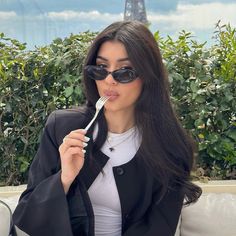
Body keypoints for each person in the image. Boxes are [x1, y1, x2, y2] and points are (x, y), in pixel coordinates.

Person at [13, 21, 202, 236]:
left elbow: (159, 228)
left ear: (148, 77)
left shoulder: (170, 147)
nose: (109, 80)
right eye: (101, 69)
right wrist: (64, 179)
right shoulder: (62, 128)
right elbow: (27, 217)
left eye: (125, 72)